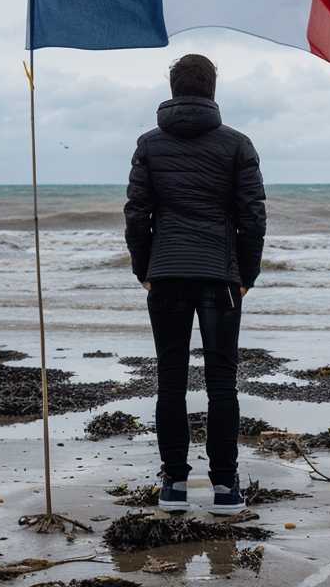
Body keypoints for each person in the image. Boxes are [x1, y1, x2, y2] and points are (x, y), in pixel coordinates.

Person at [124, 53, 266, 514]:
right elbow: (253, 215)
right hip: (220, 275)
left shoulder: (148, 144)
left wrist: (144, 268)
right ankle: (226, 486)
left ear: (173, 87)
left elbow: (136, 213)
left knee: (170, 380)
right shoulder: (237, 144)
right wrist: (247, 273)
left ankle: (174, 486)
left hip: (166, 273)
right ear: (212, 89)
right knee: (223, 381)